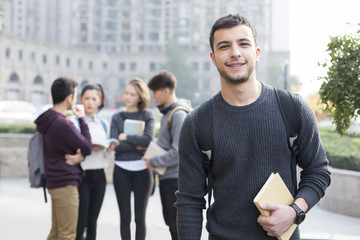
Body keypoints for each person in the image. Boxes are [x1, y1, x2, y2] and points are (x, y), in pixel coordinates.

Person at [175, 13, 331, 240]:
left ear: (257, 53)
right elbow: (189, 200)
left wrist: (295, 211)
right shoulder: (197, 123)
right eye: (224, 46)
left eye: (243, 44)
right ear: (213, 57)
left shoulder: (293, 108)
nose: (235, 52)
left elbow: (318, 171)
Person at [35, 77, 92, 240]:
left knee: (56, 233)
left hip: (54, 181)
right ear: (69, 98)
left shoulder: (47, 118)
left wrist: (80, 156)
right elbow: (87, 147)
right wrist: (82, 119)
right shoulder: (62, 123)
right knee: (67, 234)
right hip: (65, 183)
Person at [143, 70, 188, 240]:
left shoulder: (178, 115)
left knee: (177, 227)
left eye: (155, 92)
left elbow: (178, 152)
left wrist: (153, 161)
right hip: (167, 179)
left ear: (166, 91)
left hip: (174, 180)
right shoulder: (169, 113)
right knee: (171, 224)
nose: (153, 96)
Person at [110, 78, 155, 240]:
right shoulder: (117, 117)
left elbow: (148, 141)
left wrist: (126, 136)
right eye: (126, 93)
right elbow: (115, 144)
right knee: (125, 217)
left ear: (140, 97)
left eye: (132, 94)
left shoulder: (147, 115)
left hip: (142, 171)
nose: (127, 97)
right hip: (121, 170)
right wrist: (137, 145)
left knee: (140, 218)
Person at [75, 84, 116, 240]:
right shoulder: (75, 123)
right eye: (86, 98)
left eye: (94, 98)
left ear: (100, 101)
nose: (90, 102)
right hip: (82, 176)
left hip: (100, 176)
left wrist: (108, 150)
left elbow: (106, 156)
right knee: (81, 221)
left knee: (93, 221)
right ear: (80, 100)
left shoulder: (103, 124)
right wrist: (88, 149)